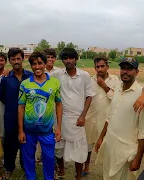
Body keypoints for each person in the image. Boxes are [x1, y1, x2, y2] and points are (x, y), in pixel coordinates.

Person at [95, 57, 144, 180]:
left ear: (136, 72)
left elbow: (143, 132)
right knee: (107, 175)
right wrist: (101, 138)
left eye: (129, 69)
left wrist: (138, 159)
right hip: (110, 146)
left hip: (126, 153)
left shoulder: (141, 95)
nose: (125, 71)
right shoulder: (118, 88)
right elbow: (110, 116)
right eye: (123, 68)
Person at [51, 48, 95, 180]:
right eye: (65, 58)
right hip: (60, 118)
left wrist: (83, 116)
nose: (68, 61)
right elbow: (42, 77)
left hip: (77, 119)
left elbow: (89, 96)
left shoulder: (84, 75)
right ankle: (62, 172)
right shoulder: (57, 74)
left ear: (76, 59)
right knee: (59, 148)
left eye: (71, 58)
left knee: (79, 150)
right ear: (63, 60)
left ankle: (79, 176)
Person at [18, 51, 62, 180]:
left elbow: (59, 104)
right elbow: (20, 107)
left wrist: (58, 127)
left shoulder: (54, 83)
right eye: (34, 64)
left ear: (45, 63)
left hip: (47, 131)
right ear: (31, 66)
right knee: (28, 158)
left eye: (40, 63)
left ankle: (49, 177)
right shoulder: (25, 84)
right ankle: (30, 177)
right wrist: (20, 130)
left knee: (49, 158)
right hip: (28, 130)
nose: (37, 67)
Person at [82, 57, 120, 176]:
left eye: (102, 66)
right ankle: (86, 167)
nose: (100, 69)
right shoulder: (89, 80)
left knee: (107, 148)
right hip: (90, 119)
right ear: (95, 68)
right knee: (87, 147)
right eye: (97, 67)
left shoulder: (115, 80)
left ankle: (108, 171)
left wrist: (104, 86)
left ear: (107, 67)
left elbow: (117, 99)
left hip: (106, 121)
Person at [0, 48, 32, 178]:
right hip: (11, 116)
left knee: (26, 143)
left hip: (28, 117)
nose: (16, 61)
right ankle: (9, 167)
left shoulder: (30, 76)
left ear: (23, 59)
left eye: (18, 58)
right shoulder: (6, 78)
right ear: (10, 61)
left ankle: (26, 167)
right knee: (10, 144)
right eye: (13, 59)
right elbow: (2, 97)